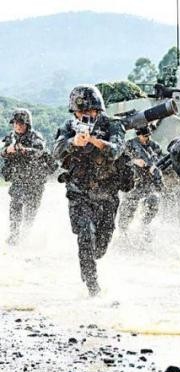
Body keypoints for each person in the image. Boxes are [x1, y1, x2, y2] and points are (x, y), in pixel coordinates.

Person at [53, 85, 130, 296]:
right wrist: (73, 141)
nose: (85, 116)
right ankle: (92, 286)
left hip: (107, 193)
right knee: (85, 235)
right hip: (79, 192)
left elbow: (116, 151)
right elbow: (56, 151)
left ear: (98, 110)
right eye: (80, 113)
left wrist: (94, 141)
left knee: (101, 246)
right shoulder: (69, 126)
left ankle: (90, 263)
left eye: (89, 112)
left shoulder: (113, 125)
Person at [1, 108, 55, 244]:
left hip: (35, 180)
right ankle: (14, 234)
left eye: (21, 124)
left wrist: (25, 150)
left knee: (30, 211)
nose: (18, 126)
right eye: (16, 123)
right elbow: (2, 151)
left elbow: (40, 151)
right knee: (15, 206)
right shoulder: (11, 137)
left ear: (27, 125)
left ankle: (25, 236)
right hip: (18, 179)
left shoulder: (35, 137)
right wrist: (7, 150)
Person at [118, 125, 164, 237]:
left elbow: (160, 160)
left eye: (148, 136)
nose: (146, 139)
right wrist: (134, 161)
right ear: (138, 135)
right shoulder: (129, 145)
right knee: (128, 207)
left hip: (150, 182)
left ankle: (144, 225)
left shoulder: (154, 146)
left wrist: (155, 167)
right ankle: (123, 230)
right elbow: (119, 160)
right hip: (133, 182)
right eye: (144, 136)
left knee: (154, 201)